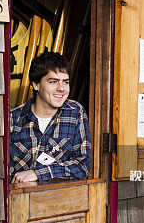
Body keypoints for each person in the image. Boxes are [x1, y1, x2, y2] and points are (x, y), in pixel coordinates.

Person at [10, 51, 91, 184]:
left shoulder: (75, 113)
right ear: (36, 84)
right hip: (19, 195)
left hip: (57, 195)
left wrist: (37, 173)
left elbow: (82, 165)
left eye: (65, 82)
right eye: (53, 82)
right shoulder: (13, 119)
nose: (61, 88)